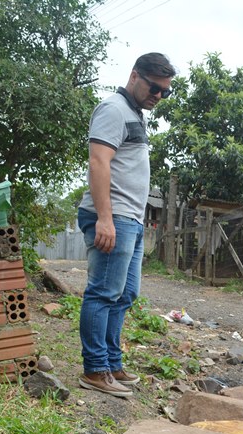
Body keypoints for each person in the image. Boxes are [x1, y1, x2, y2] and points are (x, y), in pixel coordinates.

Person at [77, 53, 176, 397]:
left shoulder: (134, 113)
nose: (158, 96)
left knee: (125, 293)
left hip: (129, 218)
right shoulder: (113, 109)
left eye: (165, 91)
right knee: (104, 292)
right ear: (135, 76)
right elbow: (98, 161)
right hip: (112, 216)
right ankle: (95, 369)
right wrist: (105, 217)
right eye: (154, 87)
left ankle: (111, 362)